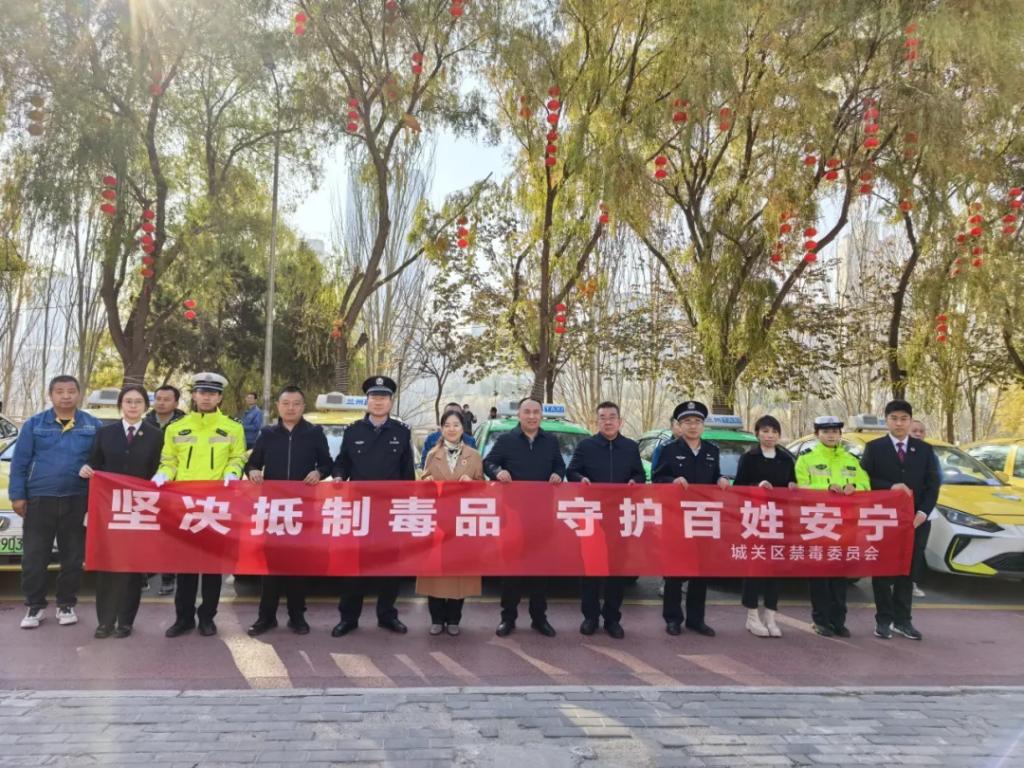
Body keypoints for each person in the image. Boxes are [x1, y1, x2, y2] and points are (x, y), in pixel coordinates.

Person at [154, 372, 246, 638]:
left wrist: (233, 472)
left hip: (216, 505)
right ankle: (183, 618)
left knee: (212, 568)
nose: (206, 397)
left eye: (212, 393)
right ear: (194, 395)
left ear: (219, 397)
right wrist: (163, 474)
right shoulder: (176, 427)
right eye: (202, 392)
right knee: (185, 566)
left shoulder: (233, 427)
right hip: (184, 506)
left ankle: (207, 617)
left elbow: (238, 457)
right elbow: (169, 460)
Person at [9, 375, 101, 629]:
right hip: (40, 499)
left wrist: (92, 470)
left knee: (72, 558)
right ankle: (34, 606)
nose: (66, 396)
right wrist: (17, 495)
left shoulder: (93, 425)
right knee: (34, 557)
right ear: (50, 395)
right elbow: (20, 462)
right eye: (59, 391)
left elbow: (100, 460)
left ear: (79, 394)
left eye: (71, 391)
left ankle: (66, 604)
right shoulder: (34, 424)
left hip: (77, 499)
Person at [331, 375, 415, 637]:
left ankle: (387, 616)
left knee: (390, 567)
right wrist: (338, 476)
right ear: (366, 401)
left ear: (391, 402)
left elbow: (408, 474)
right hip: (359, 510)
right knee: (354, 566)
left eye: (384, 397)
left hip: (390, 511)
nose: (379, 402)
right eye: (374, 397)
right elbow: (342, 463)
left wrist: (408, 507)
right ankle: (348, 618)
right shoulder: (353, 431)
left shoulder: (401, 432)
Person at [244, 386, 333, 637]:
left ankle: (297, 616)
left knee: (297, 565)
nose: (290, 408)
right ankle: (266, 617)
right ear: (278, 406)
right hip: (273, 509)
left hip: (303, 509)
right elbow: (252, 463)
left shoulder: (314, 433)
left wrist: (319, 472)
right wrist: (252, 471)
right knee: (270, 566)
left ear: (303, 407)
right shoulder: (268, 433)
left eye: (296, 403)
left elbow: (327, 463)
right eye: (286, 403)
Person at [79, 385, 164, 639]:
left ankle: (126, 621)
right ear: (120, 405)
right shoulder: (105, 433)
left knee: (132, 566)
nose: (133, 406)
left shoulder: (156, 435)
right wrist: (87, 468)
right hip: (110, 510)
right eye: (128, 401)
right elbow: (95, 462)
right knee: (108, 565)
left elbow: (161, 468)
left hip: (140, 509)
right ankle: (105, 621)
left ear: (145, 406)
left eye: (138, 401)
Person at [484, 396, 565, 638]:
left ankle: (539, 618)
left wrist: (558, 474)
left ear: (541, 415)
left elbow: (560, 466)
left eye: (535, 412)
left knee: (540, 571)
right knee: (512, 572)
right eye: (527, 412)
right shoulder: (506, 440)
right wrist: (498, 471)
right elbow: (489, 463)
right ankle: (507, 618)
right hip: (513, 517)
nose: (531, 416)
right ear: (519, 415)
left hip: (542, 517)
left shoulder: (550, 441)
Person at [565, 401, 645, 640]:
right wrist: (580, 479)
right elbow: (572, 471)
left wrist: (635, 481)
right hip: (592, 516)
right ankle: (590, 617)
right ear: (597, 421)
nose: (607, 421)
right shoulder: (586, 446)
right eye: (603, 417)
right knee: (591, 569)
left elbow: (639, 474)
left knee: (616, 571)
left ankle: (612, 619)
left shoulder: (630, 447)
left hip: (620, 517)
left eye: (612, 417)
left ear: (620, 421)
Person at [860, 400, 939, 641]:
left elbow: (933, 484)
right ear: (886, 421)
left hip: (915, 521)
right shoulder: (874, 448)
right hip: (883, 520)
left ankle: (903, 621)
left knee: (908, 570)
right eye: (894, 418)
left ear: (910, 421)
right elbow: (864, 479)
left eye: (904, 418)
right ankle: (883, 620)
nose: (899, 423)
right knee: (883, 570)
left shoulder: (924, 449)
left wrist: (923, 513)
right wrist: (889, 486)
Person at [651, 400, 730, 637]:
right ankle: (673, 618)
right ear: (679, 425)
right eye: (687, 422)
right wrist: (672, 481)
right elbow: (657, 480)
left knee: (701, 572)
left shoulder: (712, 451)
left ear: (703, 425)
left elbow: (715, 476)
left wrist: (721, 479)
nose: (693, 426)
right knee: (675, 572)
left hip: (703, 519)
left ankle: (697, 620)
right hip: (676, 519)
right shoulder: (668, 450)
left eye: (697, 421)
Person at [794, 416, 870, 638]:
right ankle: (820, 620)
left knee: (840, 575)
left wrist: (854, 486)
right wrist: (827, 489)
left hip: (845, 526)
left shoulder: (851, 459)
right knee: (819, 575)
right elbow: (801, 488)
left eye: (835, 431)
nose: (831, 435)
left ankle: (839, 621)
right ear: (817, 434)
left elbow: (866, 485)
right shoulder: (806, 460)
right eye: (826, 431)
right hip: (818, 524)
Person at [416, 408, 485, 636]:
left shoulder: (474, 455)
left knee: (459, 572)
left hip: (463, 523)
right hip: (438, 522)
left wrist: (472, 484)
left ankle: (454, 618)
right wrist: (428, 483)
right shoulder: (432, 455)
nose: (452, 429)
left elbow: (483, 487)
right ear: (441, 429)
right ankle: (436, 618)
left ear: (463, 428)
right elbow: (423, 487)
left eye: (456, 425)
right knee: (435, 572)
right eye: (447, 425)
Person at [733, 415, 797, 638]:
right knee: (754, 568)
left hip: (778, 520)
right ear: (757, 433)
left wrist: (793, 486)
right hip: (755, 519)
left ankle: (770, 616)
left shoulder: (786, 459)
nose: (770, 436)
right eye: (765, 431)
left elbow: (793, 484)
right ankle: (752, 616)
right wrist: (757, 486)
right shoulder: (749, 458)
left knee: (775, 569)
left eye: (774, 432)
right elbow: (738, 487)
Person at [144, 384, 186, 596]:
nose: (161, 403)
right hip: (148, 484)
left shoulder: (186, 424)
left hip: (175, 485)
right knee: (149, 530)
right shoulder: (144, 422)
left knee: (171, 532)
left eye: (166, 399)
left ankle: (169, 576)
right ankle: (148, 569)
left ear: (176, 402)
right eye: (158, 399)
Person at [907, 419, 932, 597]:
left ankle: (912, 583)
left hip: (923, 512)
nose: (918, 434)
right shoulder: (896, 453)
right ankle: (892, 582)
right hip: (898, 511)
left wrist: (924, 510)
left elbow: (934, 483)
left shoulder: (929, 453)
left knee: (917, 549)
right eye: (914, 430)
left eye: (921, 431)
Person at [420, 402, 476, 469]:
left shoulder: (470, 441)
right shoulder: (431, 439)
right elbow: (424, 465)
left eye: (457, 415)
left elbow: (474, 467)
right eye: (449, 414)